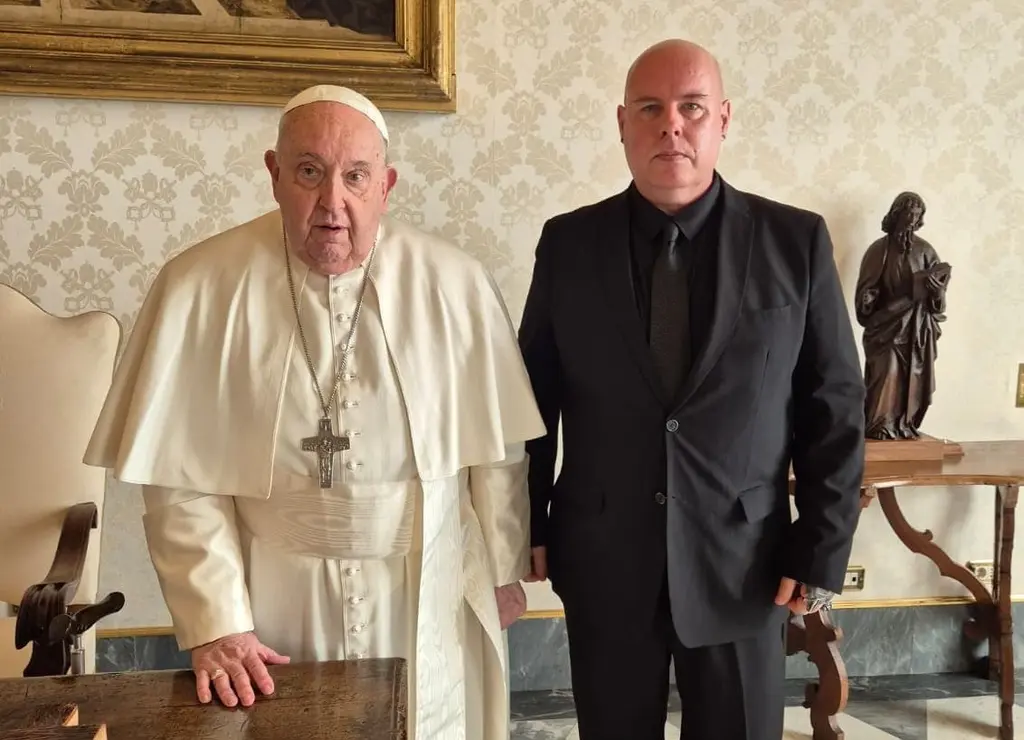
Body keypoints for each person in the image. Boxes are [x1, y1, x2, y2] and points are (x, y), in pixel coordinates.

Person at [83, 84, 546, 739]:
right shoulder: (201, 285)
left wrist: (500, 568)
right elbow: (180, 482)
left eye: (355, 177)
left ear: (385, 185)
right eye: (309, 172)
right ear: (274, 175)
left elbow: (496, 449)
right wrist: (218, 622)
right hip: (273, 598)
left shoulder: (454, 282)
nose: (333, 202)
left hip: (429, 586)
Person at [518, 39, 866, 740]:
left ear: (723, 120)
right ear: (623, 123)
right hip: (605, 557)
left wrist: (821, 545)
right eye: (650, 108)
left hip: (746, 564)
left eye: (692, 108)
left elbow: (833, 407)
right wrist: (526, 524)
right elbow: (531, 400)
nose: (671, 125)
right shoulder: (568, 244)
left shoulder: (794, 242)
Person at [855, 191, 950, 440]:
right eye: (908, 213)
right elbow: (865, 291)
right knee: (886, 373)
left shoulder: (926, 251)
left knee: (913, 379)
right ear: (896, 214)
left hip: (917, 329)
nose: (911, 219)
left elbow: (938, 304)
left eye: (917, 215)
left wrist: (937, 292)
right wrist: (868, 299)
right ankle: (879, 425)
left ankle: (905, 423)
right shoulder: (879, 250)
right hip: (886, 327)